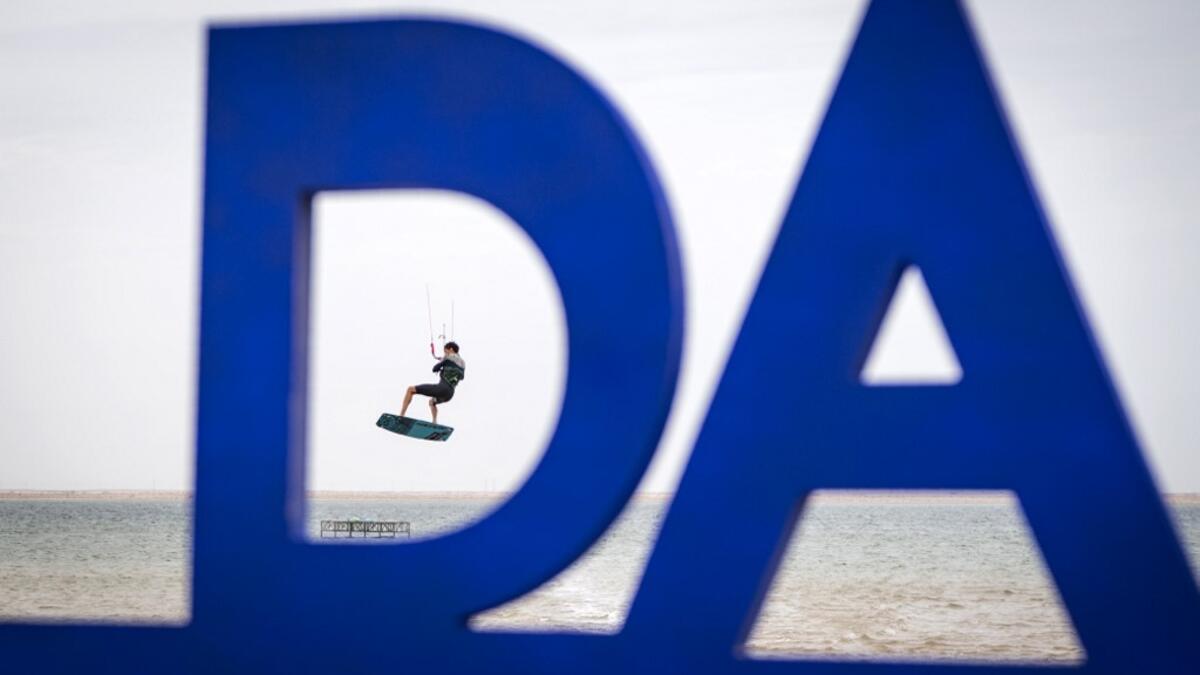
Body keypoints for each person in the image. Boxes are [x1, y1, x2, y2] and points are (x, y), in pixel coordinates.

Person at [400, 341, 465, 425]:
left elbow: (434, 369)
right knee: (432, 402)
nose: (445, 353)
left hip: (442, 389)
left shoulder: (449, 357)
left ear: (451, 349)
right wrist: (445, 368)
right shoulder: (463, 363)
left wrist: (442, 363)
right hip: (450, 394)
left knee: (410, 389)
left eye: (445, 351)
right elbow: (462, 377)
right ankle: (434, 422)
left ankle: (401, 416)